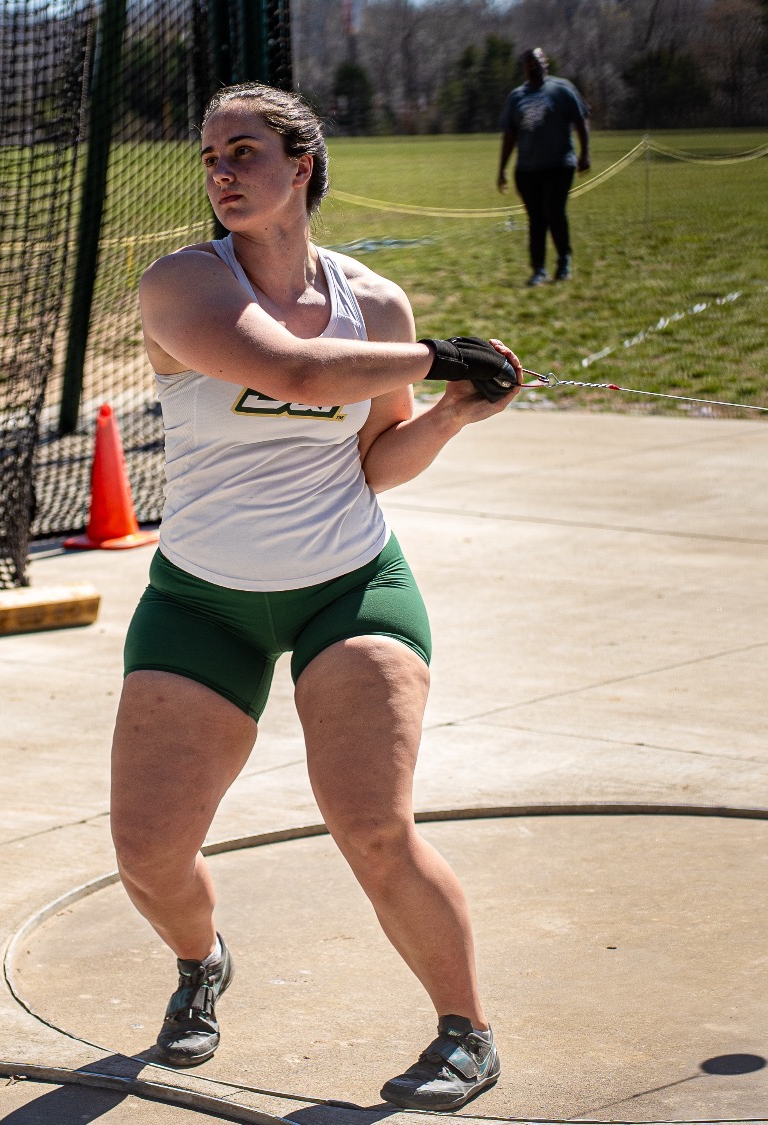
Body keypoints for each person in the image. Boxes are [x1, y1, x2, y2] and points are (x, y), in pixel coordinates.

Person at [120, 83, 523, 1112]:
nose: (220, 171)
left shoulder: (376, 306)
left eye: (244, 151)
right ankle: (200, 962)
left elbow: (376, 458)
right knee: (147, 854)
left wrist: (452, 413)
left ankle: (463, 1033)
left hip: (348, 588)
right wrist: (439, 357)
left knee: (371, 823)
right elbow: (291, 370)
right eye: (210, 155)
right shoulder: (180, 287)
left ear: (300, 167)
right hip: (202, 599)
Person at [496, 48, 590, 287]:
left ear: (545, 62)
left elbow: (580, 121)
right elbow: (509, 135)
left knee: (555, 212)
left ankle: (563, 261)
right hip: (528, 169)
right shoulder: (516, 97)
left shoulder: (562, 89)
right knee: (536, 220)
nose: (532, 66)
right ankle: (538, 269)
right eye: (528, 63)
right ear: (523, 68)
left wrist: (585, 153)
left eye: (536, 61)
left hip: (559, 164)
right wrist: (502, 169)